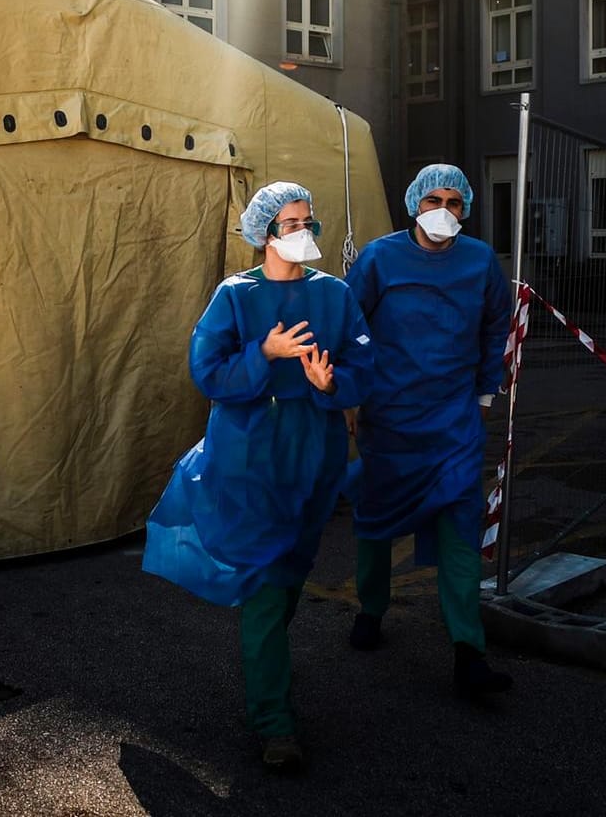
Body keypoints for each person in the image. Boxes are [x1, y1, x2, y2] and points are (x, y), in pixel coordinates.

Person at [143, 181, 373, 772]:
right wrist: (263, 354)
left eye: (308, 222)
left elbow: (362, 368)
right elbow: (208, 373)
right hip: (249, 457)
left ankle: (263, 662)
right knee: (268, 587)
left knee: (291, 572)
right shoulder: (235, 296)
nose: (303, 233)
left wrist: (333, 385)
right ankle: (274, 722)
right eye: (290, 223)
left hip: (314, 454)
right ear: (264, 232)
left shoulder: (337, 296)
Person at [343, 163, 514, 696]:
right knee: (375, 519)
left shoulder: (481, 261)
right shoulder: (379, 258)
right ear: (414, 204)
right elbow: (350, 326)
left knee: (461, 529)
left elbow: (494, 330)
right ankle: (372, 607)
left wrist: (485, 391)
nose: (443, 211)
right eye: (432, 200)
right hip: (389, 417)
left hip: (454, 419)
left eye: (455, 203)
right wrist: (353, 392)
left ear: (467, 209)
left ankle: (468, 651)